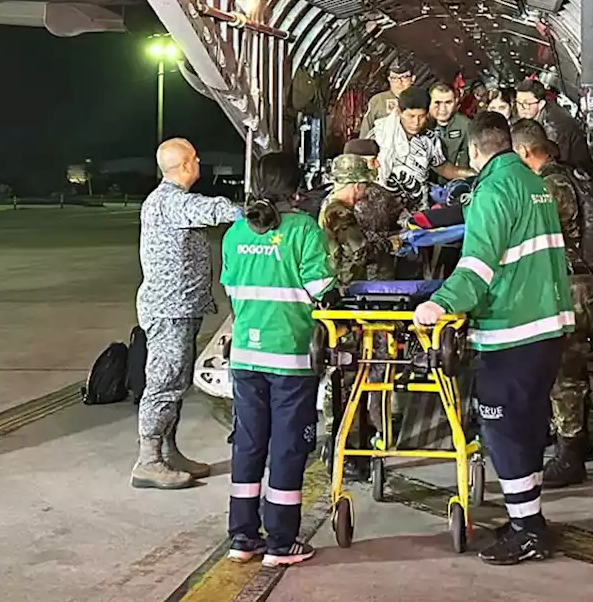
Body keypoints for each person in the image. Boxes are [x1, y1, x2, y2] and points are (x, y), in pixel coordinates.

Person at [414, 112, 573, 565]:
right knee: (525, 428)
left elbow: (478, 267)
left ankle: (528, 531)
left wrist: (439, 304)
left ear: (474, 151)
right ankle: (528, 517)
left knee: (502, 430)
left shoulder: (492, 190)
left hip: (513, 331)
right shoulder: (532, 182)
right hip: (547, 326)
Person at [222, 153, 336, 568]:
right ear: (296, 188)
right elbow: (323, 288)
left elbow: (232, 294)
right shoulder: (304, 230)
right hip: (290, 357)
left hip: (246, 357)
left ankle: (242, 537)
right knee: (288, 447)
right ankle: (282, 541)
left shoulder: (235, 233)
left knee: (249, 443)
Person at [132, 138, 240, 490]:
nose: (199, 163)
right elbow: (210, 212)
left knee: (176, 383)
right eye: (195, 158)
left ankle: (168, 451)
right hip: (169, 310)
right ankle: (148, 461)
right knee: (164, 384)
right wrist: (245, 210)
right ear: (184, 166)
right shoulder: (171, 201)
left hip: (180, 307)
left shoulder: (167, 201)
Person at [510, 119, 593, 489]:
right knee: (573, 367)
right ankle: (579, 442)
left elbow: (537, 231)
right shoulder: (564, 176)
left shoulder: (549, 185)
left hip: (568, 286)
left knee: (564, 372)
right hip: (575, 283)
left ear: (524, 152)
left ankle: (570, 455)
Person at [372, 85, 474, 209]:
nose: (416, 122)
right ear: (399, 112)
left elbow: (443, 167)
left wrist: (473, 174)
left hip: (418, 207)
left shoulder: (429, 140)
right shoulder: (379, 134)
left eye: (421, 117)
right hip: (384, 205)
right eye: (411, 116)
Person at [319, 154, 399, 285]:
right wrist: (390, 244)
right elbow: (360, 254)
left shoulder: (327, 205)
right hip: (346, 285)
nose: (366, 190)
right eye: (365, 185)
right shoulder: (340, 214)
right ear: (357, 186)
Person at [513, 79, 592, 172]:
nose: (521, 108)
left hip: (574, 172)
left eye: (527, 103)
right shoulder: (527, 114)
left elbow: (554, 160)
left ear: (541, 104)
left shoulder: (555, 126)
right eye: (518, 102)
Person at [359, 57, 416, 137]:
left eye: (404, 77)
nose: (399, 82)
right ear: (389, 79)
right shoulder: (378, 100)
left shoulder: (421, 100)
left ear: (413, 79)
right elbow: (366, 131)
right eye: (394, 78)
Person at [429, 82, 472, 168]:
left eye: (448, 103)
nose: (443, 109)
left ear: (456, 102)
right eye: (437, 103)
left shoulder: (465, 126)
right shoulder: (420, 122)